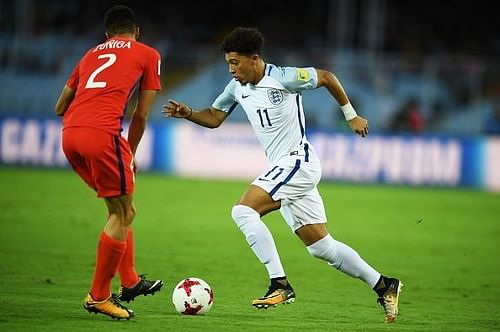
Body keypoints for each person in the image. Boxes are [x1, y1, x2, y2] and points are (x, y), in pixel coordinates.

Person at [163, 27, 403, 323]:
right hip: (286, 167)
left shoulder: (284, 77)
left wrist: (350, 114)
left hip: (298, 162)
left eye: (235, 63)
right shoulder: (236, 87)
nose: (231, 69)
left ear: (254, 59)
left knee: (243, 211)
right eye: (228, 63)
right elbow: (214, 117)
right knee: (321, 248)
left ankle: (280, 284)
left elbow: (326, 77)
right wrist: (188, 113)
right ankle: (384, 285)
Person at [55, 5, 163, 320]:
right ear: (136, 32)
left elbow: (60, 105)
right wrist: (128, 153)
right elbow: (141, 115)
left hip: (70, 135)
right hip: (102, 135)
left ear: (107, 34)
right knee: (123, 211)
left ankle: (129, 281)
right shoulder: (148, 54)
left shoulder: (90, 54)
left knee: (120, 210)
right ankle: (98, 296)